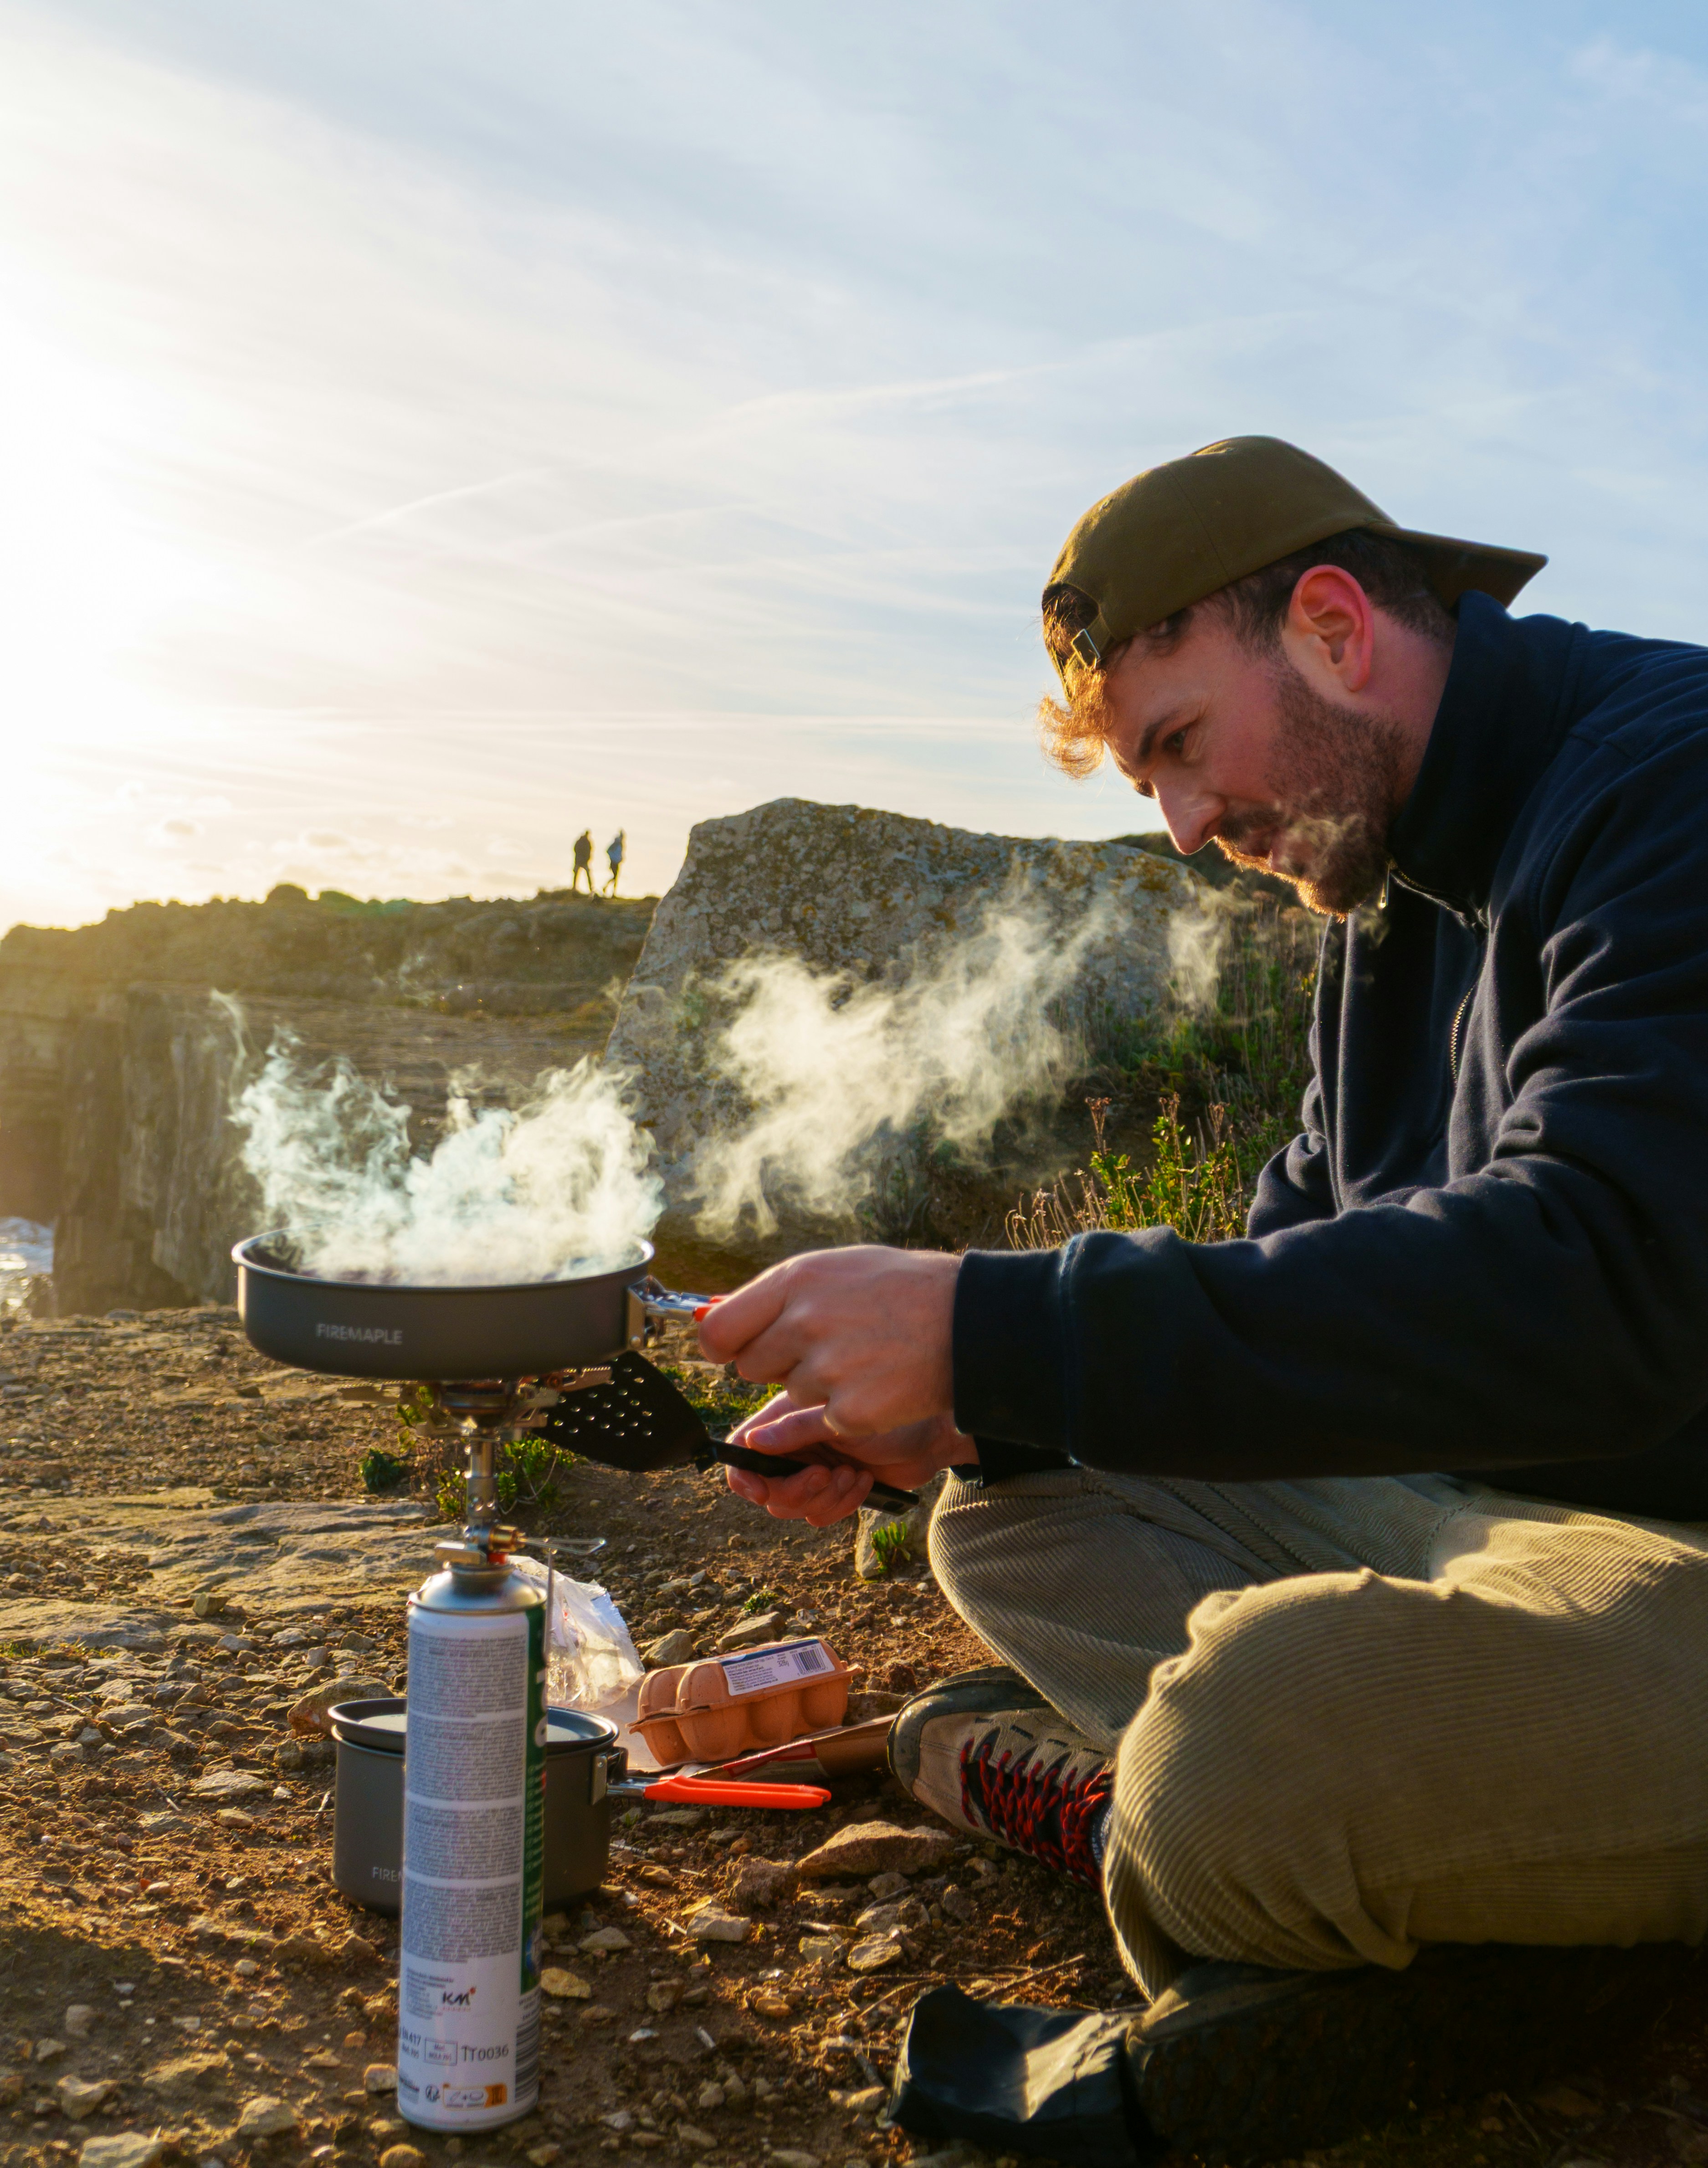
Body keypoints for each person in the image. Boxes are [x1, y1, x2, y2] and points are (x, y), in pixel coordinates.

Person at [696, 436, 1708, 2148]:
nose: (1177, 825)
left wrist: (988, 1317)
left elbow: (1608, 1277)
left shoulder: (1668, 778)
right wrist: (967, 1402)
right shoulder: (1381, 889)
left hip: (1673, 1534)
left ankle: (1293, 1830)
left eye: (1176, 744)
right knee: (1004, 1510)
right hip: (1494, 1505)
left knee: (1246, 1746)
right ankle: (1455, 1849)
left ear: (1330, 627)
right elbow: (1283, 1268)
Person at [571, 828, 595, 894]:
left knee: (577, 874)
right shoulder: (587, 842)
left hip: (580, 860)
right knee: (587, 874)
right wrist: (587, 858)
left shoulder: (580, 841)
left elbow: (575, 849)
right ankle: (591, 889)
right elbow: (590, 851)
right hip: (583, 861)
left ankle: (574, 887)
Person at [604, 828, 626, 895]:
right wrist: (613, 858)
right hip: (614, 862)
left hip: (617, 862)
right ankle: (610, 890)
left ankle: (611, 891)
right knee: (615, 877)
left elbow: (619, 853)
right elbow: (608, 851)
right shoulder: (617, 843)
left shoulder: (620, 844)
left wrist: (620, 859)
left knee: (616, 877)